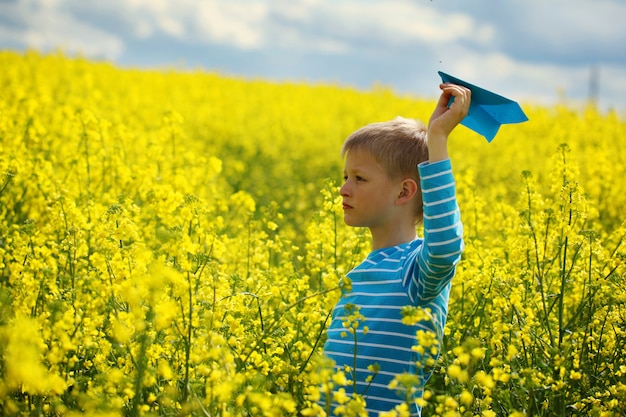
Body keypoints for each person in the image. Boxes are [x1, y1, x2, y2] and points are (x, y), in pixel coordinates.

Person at [320, 82, 471, 416]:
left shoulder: (413, 272)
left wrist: (438, 139)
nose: (343, 189)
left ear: (404, 192)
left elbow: (445, 247)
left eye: (359, 178)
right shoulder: (361, 273)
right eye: (345, 177)